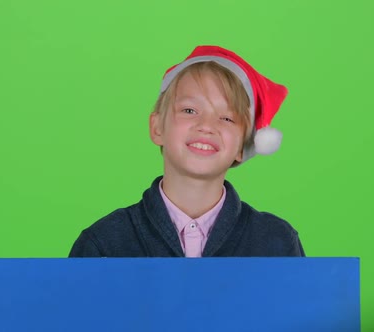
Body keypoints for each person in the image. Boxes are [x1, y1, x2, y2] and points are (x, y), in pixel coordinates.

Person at [69, 45, 305, 257]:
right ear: (157, 127)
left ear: (243, 147)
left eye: (226, 118)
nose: (206, 126)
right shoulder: (104, 244)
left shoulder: (277, 243)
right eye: (190, 110)